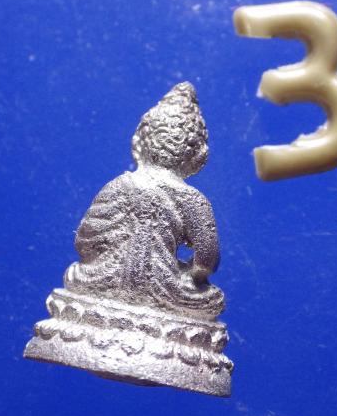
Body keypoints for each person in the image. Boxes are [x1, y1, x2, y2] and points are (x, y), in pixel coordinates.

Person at [64, 82, 224, 320]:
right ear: (200, 155)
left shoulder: (118, 185)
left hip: (103, 280)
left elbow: (85, 241)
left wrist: (104, 262)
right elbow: (206, 262)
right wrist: (185, 275)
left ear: (138, 142)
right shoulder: (193, 200)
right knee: (211, 300)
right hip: (170, 293)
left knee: (73, 275)